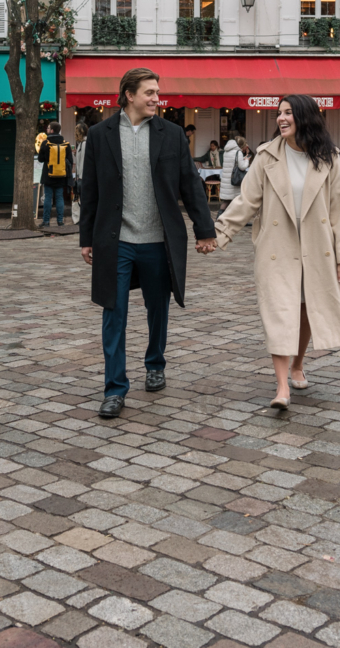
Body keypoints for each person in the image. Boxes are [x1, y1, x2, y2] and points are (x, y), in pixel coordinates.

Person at [80, 68, 216, 419]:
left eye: (158, 92)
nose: (157, 98)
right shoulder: (100, 135)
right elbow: (90, 191)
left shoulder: (171, 135)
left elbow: (190, 184)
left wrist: (205, 229)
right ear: (128, 94)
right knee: (114, 313)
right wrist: (86, 238)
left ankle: (155, 363)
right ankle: (114, 388)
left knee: (158, 309)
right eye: (150, 92)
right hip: (117, 240)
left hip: (159, 241)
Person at [211, 94, 340, 409]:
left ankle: (298, 364)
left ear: (305, 117)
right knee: (280, 310)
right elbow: (246, 201)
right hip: (277, 246)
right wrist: (218, 233)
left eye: (288, 113)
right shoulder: (266, 156)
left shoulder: (328, 157)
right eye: (279, 113)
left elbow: (338, 210)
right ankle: (281, 388)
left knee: (305, 309)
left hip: (316, 247)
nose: (281, 118)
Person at [37, 121, 72, 227]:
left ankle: (46, 221)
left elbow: (40, 159)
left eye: (48, 128)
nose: (47, 130)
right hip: (61, 175)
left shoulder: (45, 143)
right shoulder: (65, 143)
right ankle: (60, 221)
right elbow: (70, 160)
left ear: (52, 130)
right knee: (59, 197)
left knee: (48, 198)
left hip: (48, 174)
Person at [219, 134, 243, 211]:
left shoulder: (225, 152)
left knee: (227, 201)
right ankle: (239, 219)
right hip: (234, 181)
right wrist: (246, 160)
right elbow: (242, 166)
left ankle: (219, 217)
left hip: (226, 181)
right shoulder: (238, 152)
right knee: (238, 200)